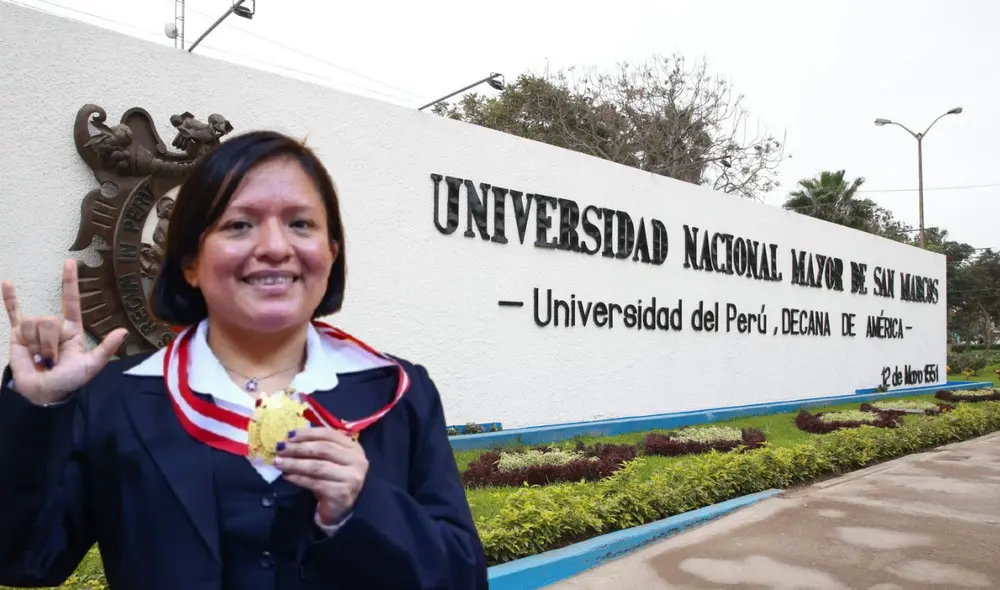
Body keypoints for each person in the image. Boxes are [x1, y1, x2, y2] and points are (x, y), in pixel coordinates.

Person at [0, 130, 489, 589]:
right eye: (239, 225)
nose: (275, 247)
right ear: (190, 262)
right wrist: (37, 408)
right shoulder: (113, 398)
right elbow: (24, 559)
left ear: (332, 252)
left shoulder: (394, 390)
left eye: (301, 224)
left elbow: (463, 577)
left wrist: (361, 506)